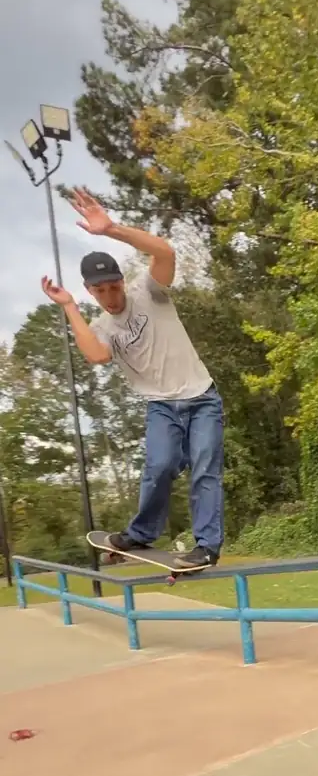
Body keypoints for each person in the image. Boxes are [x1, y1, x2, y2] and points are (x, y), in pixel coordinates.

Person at [41, 188, 223, 568]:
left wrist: (111, 229)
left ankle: (206, 546)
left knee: (205, 469)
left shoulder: (149, 292)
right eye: (101, 291)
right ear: (90, 291)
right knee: (159, 467)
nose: (111, 297)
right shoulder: (101, 327)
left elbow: (165, 253)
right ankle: (140, 535)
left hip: (202, 398)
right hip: (161, 407)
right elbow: (96, 355)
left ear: (123, 281)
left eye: (114, 287)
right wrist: (69, 306)